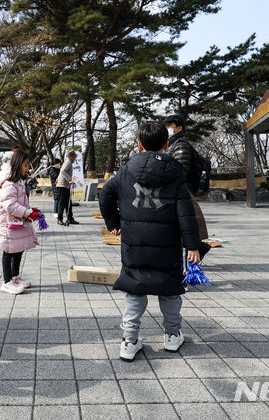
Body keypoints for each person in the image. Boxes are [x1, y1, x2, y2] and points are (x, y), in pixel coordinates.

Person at [99, 122, 201, 360]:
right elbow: (186, 211)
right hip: (167, 246)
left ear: (139, 144)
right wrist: (193, 245)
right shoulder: (175, 171)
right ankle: (172, 336)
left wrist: (113, 223)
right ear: (166, 144)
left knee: (135, 292)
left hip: (134, 245)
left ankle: (129, 341)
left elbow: (105, 194)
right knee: (169, 292)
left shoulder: (125, 170)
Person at [0, 150, 41, 295]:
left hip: (16, 220)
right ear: (17, 165)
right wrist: (27, 213)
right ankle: (7, 282)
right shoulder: (10, 183)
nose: (28, 168)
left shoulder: (18, 181)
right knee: (8, 251)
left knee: (18, 248)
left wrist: (29, 211)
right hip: (6, 222)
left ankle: (15, 277)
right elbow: (10, 206)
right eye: (25, 165)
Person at [163, 114, 208, 240]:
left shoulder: (181, 145)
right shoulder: (171, 145)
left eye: (169, 126)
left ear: (179, 128)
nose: (166, 129)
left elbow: (180, 172)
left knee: (183, 229)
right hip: (178, 192)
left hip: (182, 192)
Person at [56, 150, 79, 226]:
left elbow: (61, 171)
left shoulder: (68, 162)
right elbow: (63, 171)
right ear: (72, 157)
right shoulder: (68, 162)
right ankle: (59, 219)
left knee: (68, 203)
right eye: (75, 157)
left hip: (65, 186)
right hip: (62, 186)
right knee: (62, 203)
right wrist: (69, 180)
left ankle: (70, 218)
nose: (75, 159)